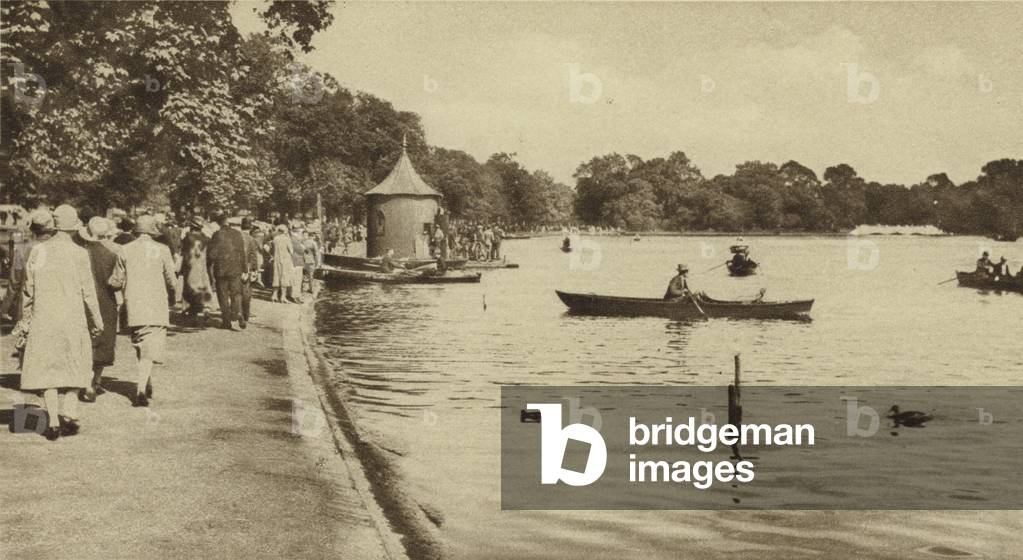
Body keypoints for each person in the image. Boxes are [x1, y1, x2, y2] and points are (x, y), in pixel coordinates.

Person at [21, 205, 103, 440]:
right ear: (74, 226)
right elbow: (88, 292)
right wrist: (97, 320)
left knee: (48, 368)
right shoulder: (80, 253)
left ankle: (53, 421)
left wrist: (25, 321)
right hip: (72, 319)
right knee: (76, 364)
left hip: (44, 319)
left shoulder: (39, 251)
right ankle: (69, 409)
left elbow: (28, 290)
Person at [109, 215, 177, 407]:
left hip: (134, 303)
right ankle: (140, 389)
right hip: (156, 303)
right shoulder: (163, 250)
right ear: (152, 231)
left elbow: (116, 281)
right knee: (150, 345)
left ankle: (146, 382)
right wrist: (173, 295)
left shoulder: (125, 249)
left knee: (141, 343)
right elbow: (171, 280)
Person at [76, 217, 119, 402]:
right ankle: (96, 381)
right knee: (102, 342)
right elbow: (116, 282)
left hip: (83, 301)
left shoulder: (80, 253)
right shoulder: (112, 254)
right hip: (106, 301)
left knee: (85, 341)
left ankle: (85, 382)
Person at [208, 214, 247, 330]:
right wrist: (245, 269)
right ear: (228, 223)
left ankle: (226, 321)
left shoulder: (217, 235)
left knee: (223, 295)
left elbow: (212, 254)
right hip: (236, 268)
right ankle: (238, 311)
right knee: (236, 293)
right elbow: (242, 252)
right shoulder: (237, 234)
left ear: (219, 223)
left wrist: (209, 263)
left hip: (221, 269)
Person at [180, 218, 212, 324]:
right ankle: (206, 310)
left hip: (191, 266)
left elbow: (184, 253)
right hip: (202, 267)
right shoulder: (206, 239)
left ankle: (191, 314)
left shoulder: (187, 238)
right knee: (204, 288)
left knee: (189, 289)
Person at [270, 223, 294, 303]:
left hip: (276, 259)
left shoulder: (275, 239)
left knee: (276, 276)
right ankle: (283, 297)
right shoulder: (287, 239)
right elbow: (291, 251)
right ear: (285, 231)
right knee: (284, 277)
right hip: (285, 260)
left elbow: (272, 250)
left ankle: (274, 296)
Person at [290, 224, 306, 302]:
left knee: (295, 279)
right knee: (297, 280)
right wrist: (303, 246)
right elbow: (301, 250)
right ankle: (295, 296)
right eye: (301, 231)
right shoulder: (295, 239)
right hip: (296, 261)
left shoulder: (294, 238)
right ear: (297, 231)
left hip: (295, 261)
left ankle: (293, 295)